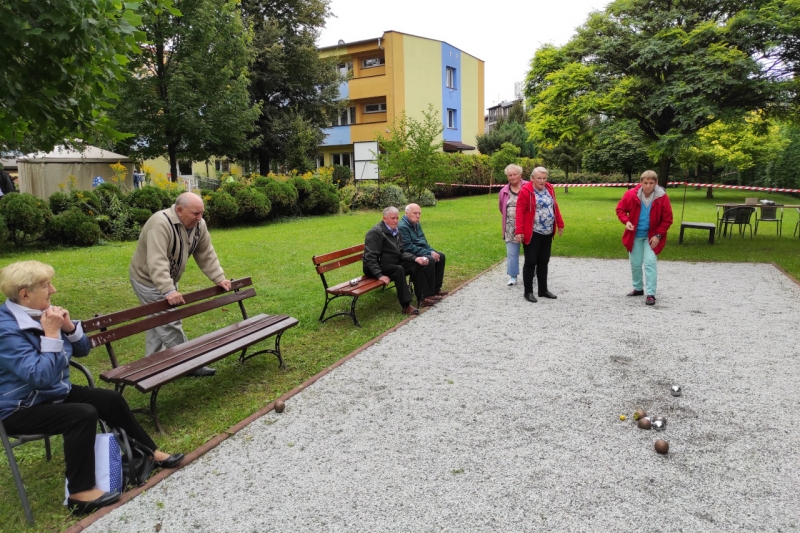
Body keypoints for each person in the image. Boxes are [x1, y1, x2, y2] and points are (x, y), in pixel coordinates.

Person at [0, 261, 183, 514]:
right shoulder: (6, 331)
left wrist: (68, 328)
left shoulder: (41, 312)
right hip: (19, 408)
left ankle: (148, 453)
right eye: (46, 286)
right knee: (81, 414)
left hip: (52, 393)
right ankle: (80, 493)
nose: (53, 290)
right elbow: (39, 377)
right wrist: (52, 334)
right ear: (24, 294)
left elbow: (83, 349)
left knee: (110, 400)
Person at [129, 192, 231, 376]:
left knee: (157, 322)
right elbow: (157, 261)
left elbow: (205, 252)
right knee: (169, 322)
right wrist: (168, 290)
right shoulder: (160, 224)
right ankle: (190, 364)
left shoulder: (199, 225)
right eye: (195, 213)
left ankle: (149, 367)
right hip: (147, 279)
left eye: (202, 213)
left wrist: (219, 277)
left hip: (167, 279)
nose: (199, 218)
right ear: (179, 210)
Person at [363, 206, 437, 315]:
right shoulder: (376, 233)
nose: (396, 221)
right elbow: (370, 257)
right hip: (375, 266)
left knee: (414, 264)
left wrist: (416, 258)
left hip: (390, 263)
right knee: (398, 269)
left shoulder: (396, 231)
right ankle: (406, 306)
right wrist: (379, 275)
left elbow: (401, 252)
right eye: (392, 218)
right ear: (384, 219)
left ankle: (422, 298)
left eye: (397, 218)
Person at [615, 170, 673, 306]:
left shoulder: (662, 197)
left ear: (656, 183)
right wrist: (626, 221)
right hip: (634, 235)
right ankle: (638, 288)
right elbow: (620, 209)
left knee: (650, 263)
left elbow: (667, 219)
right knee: (635, 263)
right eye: (645, 183)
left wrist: (658, 235)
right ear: (640, 183)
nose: (648, 186)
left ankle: (651, 293)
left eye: (651, 183)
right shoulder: (631, 194)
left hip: (651, 237)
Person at [515, 166, 564, 303]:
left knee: (544, 261)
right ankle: (528, 292)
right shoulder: (526, 191)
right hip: (533, 232)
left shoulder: (549, 188)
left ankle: (543, 290)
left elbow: (554, 206)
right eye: (539, 178)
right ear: (532, 179)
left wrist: (560, 223)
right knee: (531, 261)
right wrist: (519, 231)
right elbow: (519, 211)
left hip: (547, 231)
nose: (542, 181)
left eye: (544, 178)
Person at [397, 203, 448, 298]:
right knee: (429, 259)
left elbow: (423, 241)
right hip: (409, 255)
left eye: (419, 213)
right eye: (415, 213)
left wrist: (432, 251)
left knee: (440, 256)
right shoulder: (402, 227)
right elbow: (408, 247)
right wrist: (429, 253)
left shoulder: (416, 224)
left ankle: (436, 290)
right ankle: (427, 295)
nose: (417, 216)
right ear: (406, 213)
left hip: (419, 251)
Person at [498, 164, 528, 286]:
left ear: (520, 175)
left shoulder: (528, 186)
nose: (512, 177)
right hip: (510, 227)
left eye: (514, 174)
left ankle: (532, 273)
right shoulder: (504, 191)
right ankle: (513, 276)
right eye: (509, 175)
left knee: (531, 252)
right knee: (512, 253)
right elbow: (501, 207)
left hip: (527, 225)